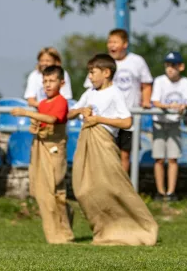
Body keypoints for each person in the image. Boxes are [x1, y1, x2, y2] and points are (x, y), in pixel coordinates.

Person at [69, 54, 158, 245]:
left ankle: (142, 227)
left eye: (92, 72)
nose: (90, 77)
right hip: (86, 141)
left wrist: (99, 119)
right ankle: (105, 229)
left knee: (114, 187)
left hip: (104, 143)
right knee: (84, 190)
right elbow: (70, 112)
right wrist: (80, 111)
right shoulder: (90, 93)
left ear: (106, 73)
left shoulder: (115, 93)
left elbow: (127, 121)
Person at [12, 65, 74, 244]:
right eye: (45, 81)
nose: (47, 84)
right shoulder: (43, 104)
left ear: (61, 83)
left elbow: (53, 119)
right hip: (41, 148)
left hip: (54, 149)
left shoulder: (61, 101)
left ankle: (64, 230)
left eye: (52, 81)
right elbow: (42, 123)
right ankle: (55, 234)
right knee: (44, 191)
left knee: (56, 190)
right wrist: (35, 126)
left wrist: (26, 112)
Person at [84, 29, 154, 173]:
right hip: (105, 117)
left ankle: (122, 186)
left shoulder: (137, 61)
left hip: (127, 117)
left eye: (115, 42)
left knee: (125, 153)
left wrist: (146, 101)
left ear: (125, 44)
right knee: (107, 152)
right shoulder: (102, 62)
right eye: (109, 41)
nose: (112, 45)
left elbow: (146, 84)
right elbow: (90, 87)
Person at [151, 52, 187, 202]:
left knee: (172, 158)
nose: (170, 69)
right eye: (168, 65)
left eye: (173, 66)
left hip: (174, 123)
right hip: (159, 122)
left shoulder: (185, 82)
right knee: (158, 158)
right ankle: (160, 191)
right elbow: (155, 101)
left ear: (181, 67)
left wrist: (183, 106)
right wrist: (169, 106)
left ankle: (171, 192)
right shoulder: (159, 81)